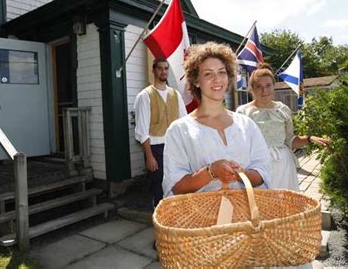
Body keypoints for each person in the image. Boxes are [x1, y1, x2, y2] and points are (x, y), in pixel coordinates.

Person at [162, 42, 272, 197]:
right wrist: (211, 172)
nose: (217, 79)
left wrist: (241, 175)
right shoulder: (180, 130)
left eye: (222, 72)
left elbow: (263, 170)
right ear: (196, 81)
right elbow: (175, 186)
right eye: (208, 74)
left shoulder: (246, 125)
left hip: (247, 216)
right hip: (202, 218)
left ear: (228, 77)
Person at [236, 63, 330, 191]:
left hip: (283, 166)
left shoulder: (283, 109)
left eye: (268, 85)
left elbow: (290, 140)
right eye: (259, 86)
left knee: (284, 205)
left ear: (273, 86)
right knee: (258, 205)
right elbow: (238, 144)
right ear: (252, 88)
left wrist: (309, 138)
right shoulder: (243, 112)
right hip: (255, 166)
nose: (264, 91)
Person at [134, 58, 187, 207]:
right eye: (160, 68)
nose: (163, 71)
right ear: (154, 70)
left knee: (177, 181)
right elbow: (142, 131)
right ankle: (159, 218)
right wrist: (149, 156)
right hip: (156, 148)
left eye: (166, 68)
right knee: (158, 185)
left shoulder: (175, 95)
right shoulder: (145, 96)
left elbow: (184, 123)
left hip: (175, 147)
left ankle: (174, 217)